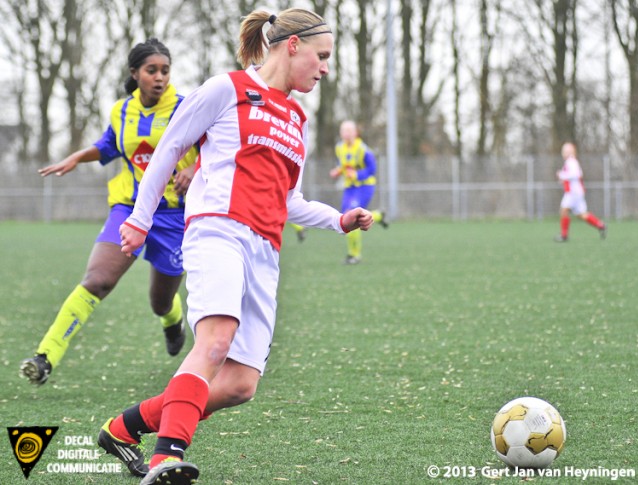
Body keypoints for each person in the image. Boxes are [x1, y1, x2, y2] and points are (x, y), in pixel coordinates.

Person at [96, 9, 373, 485]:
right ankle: (166, 460)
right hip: (217, 231)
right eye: (321, 56)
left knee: (240, 385)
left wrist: (339, 219)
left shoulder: (296, 117)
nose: (325, 68)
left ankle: (124, 428)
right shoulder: (226, 88)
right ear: (292, 45)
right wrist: (140, 220)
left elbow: (291, 201)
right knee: (215, 341)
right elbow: (169, 147)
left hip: (265, 249)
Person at [20, 39, 198, 387]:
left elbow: (214, 144)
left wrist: (196, 168)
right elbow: (108, 145)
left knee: (160, 302)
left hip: (173, 217)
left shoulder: (186, 107)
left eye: (165, 70)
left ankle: (172, 320)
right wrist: (76, 157)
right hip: (129, 208)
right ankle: (45, 357)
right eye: (152, 70)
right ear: (135, 74)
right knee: (98, 280)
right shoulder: (121, 110)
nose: (159, 77)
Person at [329, 120, 388, 264]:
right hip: (349, 188)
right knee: (345, 217)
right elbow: (343, 164)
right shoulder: (339, 147)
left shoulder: (363, 149)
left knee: (353, 216)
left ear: (356, 133)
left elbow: (372, 170)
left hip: (364, 187)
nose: (347, 134)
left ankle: (354, 255)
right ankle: (379, 215)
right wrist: (338, 171)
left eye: (350, 131)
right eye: (344, 131)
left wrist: (356, 175)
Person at [554, 142, 606, 242]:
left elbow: (577, 174)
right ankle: (601, 225)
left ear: (571, 152)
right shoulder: (571, 162)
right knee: (582, 214)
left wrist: (562, 175)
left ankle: (564, 235)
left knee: (564, 210)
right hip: (577, 192)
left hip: (573, 193)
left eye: (565, 151)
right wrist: (563, 178)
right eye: (563, 151)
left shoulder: (571, 161)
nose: (563, 153)